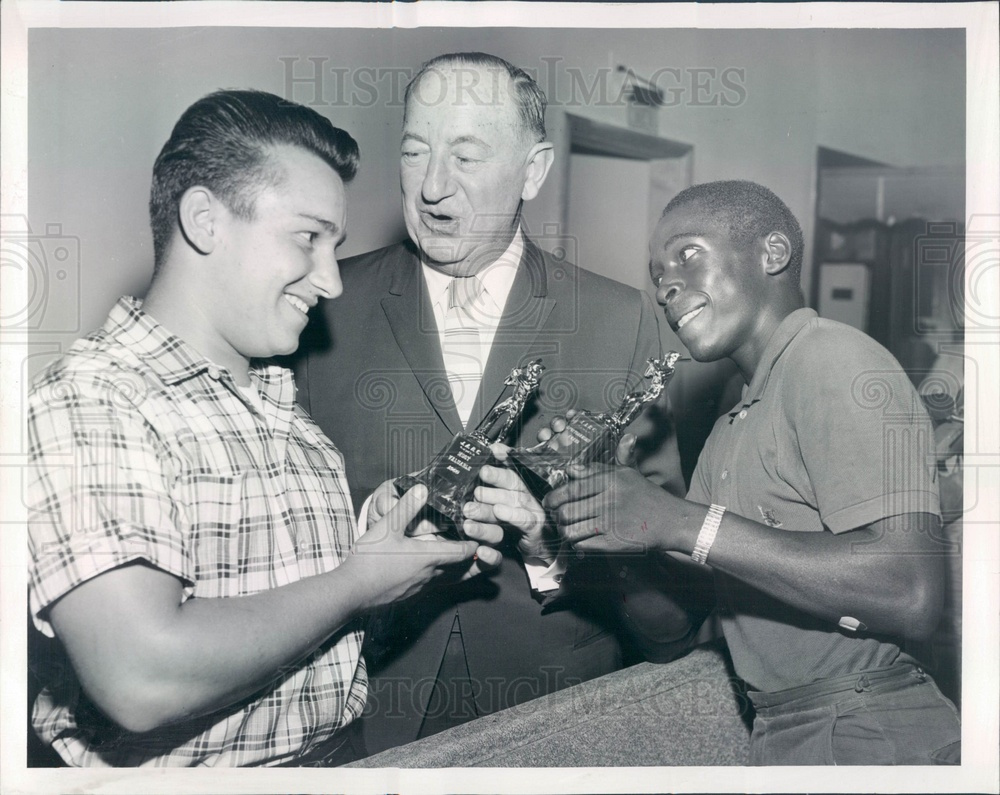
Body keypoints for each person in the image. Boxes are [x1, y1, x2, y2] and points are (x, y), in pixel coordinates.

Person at [26, 89, 502, 767]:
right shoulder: (94, 400)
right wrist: (359, 581)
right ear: (204, 221)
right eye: (308, 238)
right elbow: (139, 676)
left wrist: (398, 556)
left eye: (333, 247)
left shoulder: (284, 404)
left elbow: (311, 635)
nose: (333, 282)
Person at [297, 52, 687, 754]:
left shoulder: (618, 318)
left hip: (552, 718)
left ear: (533, 170)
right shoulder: (319, 303)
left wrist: (555, 547)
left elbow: (672, 598)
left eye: (467, 156)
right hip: (362, 712)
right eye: (416, 152)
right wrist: (368, 527)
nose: (434, 187)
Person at [543, 180, 961, 765]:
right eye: (657, 272)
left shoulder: (831, 357)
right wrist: (620, 529)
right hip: (783, 732)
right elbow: (670, 635)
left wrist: (683, 522)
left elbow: (912, 590)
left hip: (875, 727)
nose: (665, 285)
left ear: (772, 254)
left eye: (688, 254)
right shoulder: (729, 430)